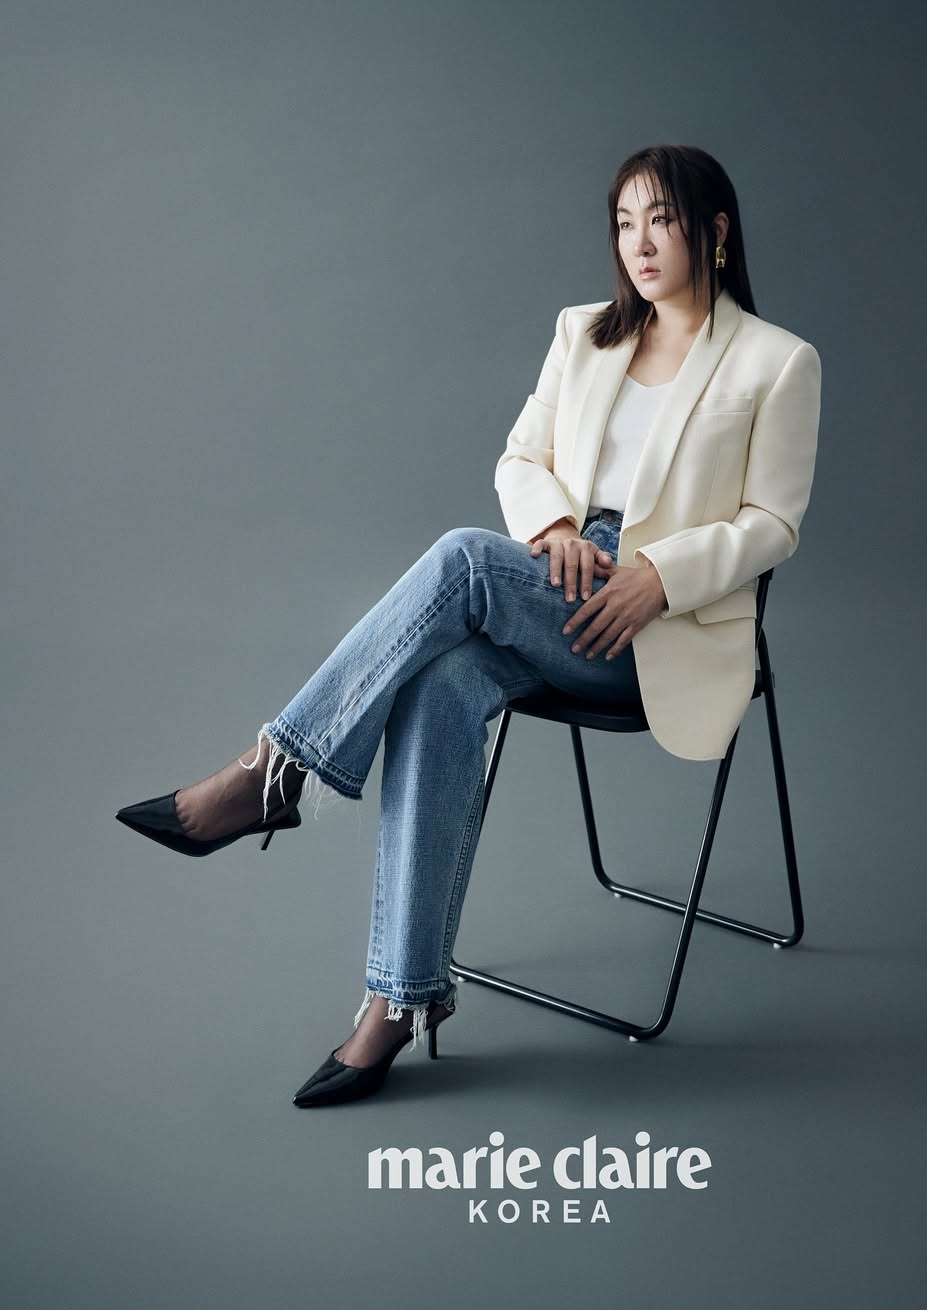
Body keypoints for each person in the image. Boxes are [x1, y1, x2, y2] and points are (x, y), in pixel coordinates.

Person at [115, 144, 822, 1107]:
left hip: (661, 624)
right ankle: (398, 1000)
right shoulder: (586, 333)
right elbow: (521, 457)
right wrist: (555, 526)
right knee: (444, 680)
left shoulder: (777, 361)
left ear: (717, 229)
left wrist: (661, 576)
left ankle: (275, 771)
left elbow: (774, 523)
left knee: (461, 558)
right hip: (560, 581)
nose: (640, 242)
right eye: (624, 222)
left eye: (661, 218)